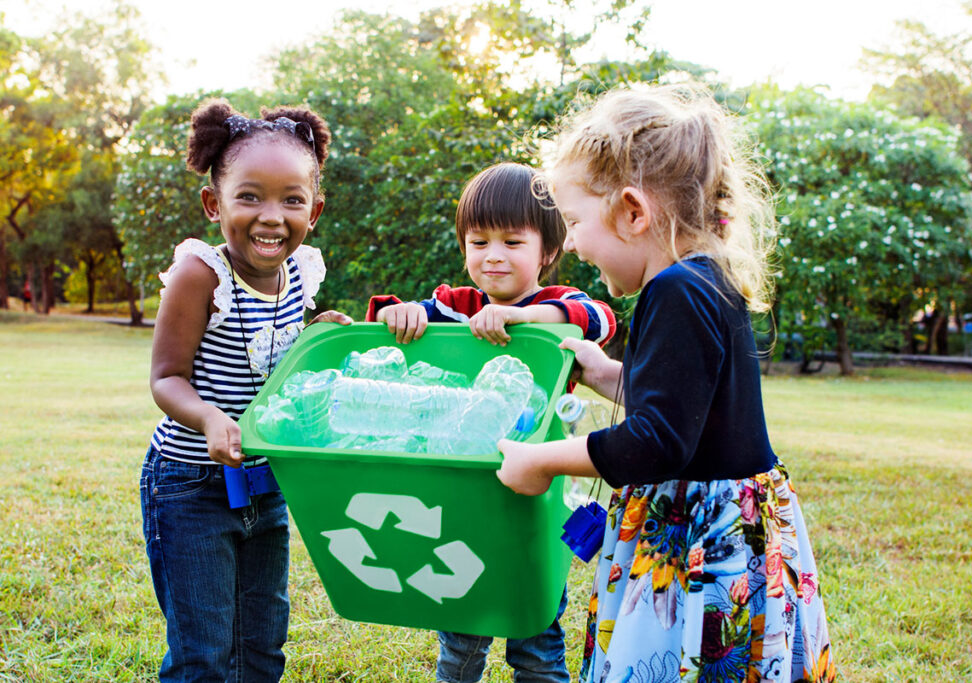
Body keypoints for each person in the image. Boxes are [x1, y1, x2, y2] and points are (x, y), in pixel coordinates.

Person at [496, 86, 837, 683]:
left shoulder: (673, 290)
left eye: (575, 222)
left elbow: (657, 441)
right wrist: (604, 373)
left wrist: (543, 461)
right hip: (737, 524)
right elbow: (686, 408)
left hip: (703, 541)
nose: (570, 242)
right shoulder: (705, 278)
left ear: (633, 212)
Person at [366, 162, 617, 683]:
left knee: (537, 638)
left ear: (547, 251)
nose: (493, 256)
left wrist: (519, 317)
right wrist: (401, 314)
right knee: (461, 631)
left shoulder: (555, 305)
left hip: (534, 499)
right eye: (478, 241)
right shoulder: (457, 307)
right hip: (461, 496)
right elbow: (396, 322)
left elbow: (596, 317)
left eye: (511, 241)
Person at [143, 98, 352, 682]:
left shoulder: (300, 273)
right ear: (215, 203)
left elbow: (273, 361)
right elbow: (166, 378)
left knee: (263, 643)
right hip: (191, 487)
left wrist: (316, 337)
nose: (271, 216)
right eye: (249, 196)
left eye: (292, 199)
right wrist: (209, 418)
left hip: (267, 483)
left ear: (314, 209)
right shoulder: (199, 275)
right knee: (204, 651)